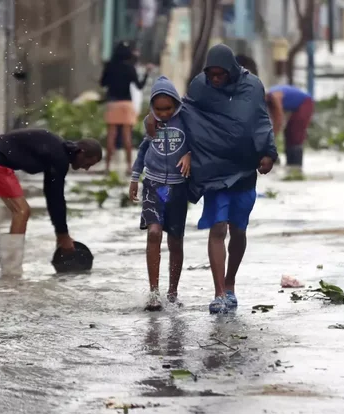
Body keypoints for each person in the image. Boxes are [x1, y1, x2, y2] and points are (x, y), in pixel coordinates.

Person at [145, 44, 278, 314]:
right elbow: (184, 114)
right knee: (218, 229)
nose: (215, 79)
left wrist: (269, 152)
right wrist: (155, 121)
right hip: (213, 169)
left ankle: (230, 284)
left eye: (220, 75)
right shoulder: (200, 87)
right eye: (212, 74)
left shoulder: (252, 87)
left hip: (243, 169)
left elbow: (261, 119)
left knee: (238, 230)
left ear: (231, 71)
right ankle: (218, 293)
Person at [0, 130, 102, 276]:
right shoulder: (59, 157)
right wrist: (63, 235)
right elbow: (56, 198)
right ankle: (11, 273)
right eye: (88, 163)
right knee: (22, 211)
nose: (87, 168)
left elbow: (51, 195)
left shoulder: (57, 150)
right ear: (81, 152)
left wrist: (60, 235)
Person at [129, 77, 192, 311]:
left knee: (175, 241)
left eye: (168, 108)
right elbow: (143, 149)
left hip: (178, 187)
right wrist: (135, 178)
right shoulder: (150, 124)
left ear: (176, 104)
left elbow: (200, 141)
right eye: (158, 109)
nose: (164, 113)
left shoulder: (186, 120)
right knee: (154, 233)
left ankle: (172, 293)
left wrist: (190, 155)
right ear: (152, 108)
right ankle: (154, 293)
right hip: (153, 185)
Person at [100, 41, 153, 175]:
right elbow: (139, 86)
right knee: (127, 137)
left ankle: (107, 167)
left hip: (112, 103)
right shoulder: (130, 68)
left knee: (111, 136)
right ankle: (130, 167)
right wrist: (146, 73)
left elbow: (103, 83)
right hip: (126, 104)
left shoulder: (110, 66)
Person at [266, 85, 314, 169]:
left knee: (295, 133)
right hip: (294, 107)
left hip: (305, 103)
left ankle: (296, 166)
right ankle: (290, 165)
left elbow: (279, 119)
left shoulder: (275, 96)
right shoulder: (268, 102)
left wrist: (271, 138)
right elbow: (272, 121)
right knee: (288, 133)